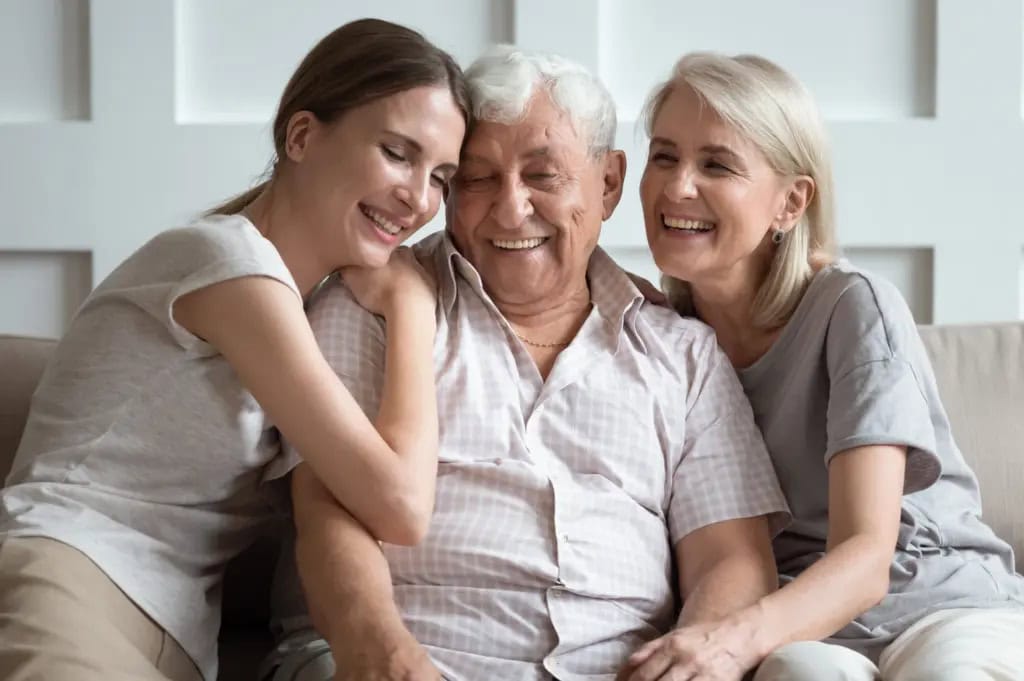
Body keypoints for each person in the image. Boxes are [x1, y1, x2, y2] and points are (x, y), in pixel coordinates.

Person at [263, 46, 790, 681]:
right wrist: (384, 654)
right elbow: (327, 517)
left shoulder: (684, 355)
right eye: (478, 179)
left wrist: (691, 659)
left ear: (608, 184)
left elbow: (732, 558)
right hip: (411, 658)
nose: (511, 210)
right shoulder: (371, 301)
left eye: (543, 177)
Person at [0, 19, 468, 681]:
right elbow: (400, 504)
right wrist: (412, 306)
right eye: (397, 152)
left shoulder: (308, 315)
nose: (419, 198)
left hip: (179, 636)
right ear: (301, 136)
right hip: (73, 574)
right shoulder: (228, 264)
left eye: (442, 176)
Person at [635, 51, 1024, 681]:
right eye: (664, 156)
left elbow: (867, 557)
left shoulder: (851, 306)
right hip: (802, 629)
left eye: (717, 164)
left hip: (939, 605)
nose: (678, 187)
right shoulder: (661, 340)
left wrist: (727, 641)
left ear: (791, 202)